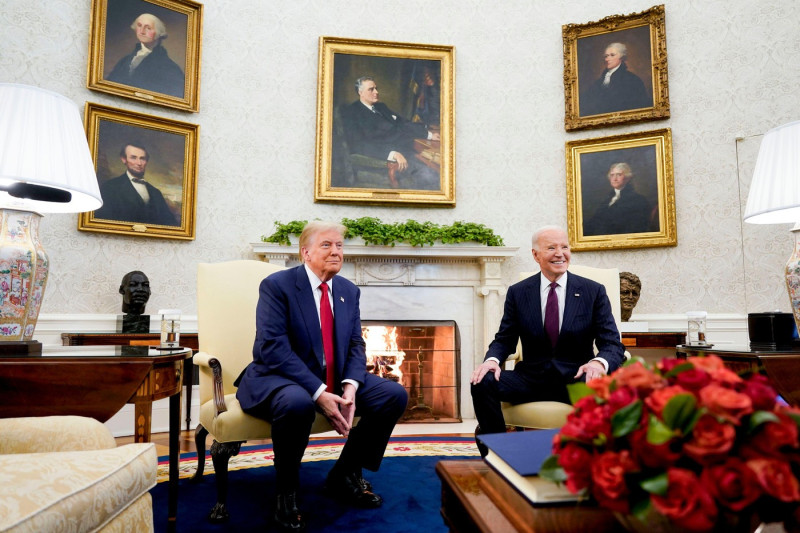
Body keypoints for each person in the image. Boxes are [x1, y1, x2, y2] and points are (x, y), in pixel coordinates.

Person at [235, 221, 408, 531]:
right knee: (297, 402)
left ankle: (344, 474)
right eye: (326, 245)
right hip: (279, 377)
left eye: (339, 245)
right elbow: (272, 348)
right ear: (305, 252)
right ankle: (286, 492)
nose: (335, 251)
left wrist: (350, 387)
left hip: (333, 376)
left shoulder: (348, 291)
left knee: (392, 395)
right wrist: (319, 392)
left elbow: (355, 344)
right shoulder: (277, 286)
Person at [470, 226, 625, 451]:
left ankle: (591, 457)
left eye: (565, 247)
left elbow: (611, 343)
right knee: (481, 381)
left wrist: (598, 363)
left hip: (575, 378)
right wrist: (492, 361)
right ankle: (499, 452)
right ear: (536, 255)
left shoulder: (593, 291)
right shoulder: (518, 292)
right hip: (531, 379)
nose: (560, 254)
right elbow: (505, 339)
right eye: (551, 248)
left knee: (601, 385)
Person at [340, 76, 440, 190]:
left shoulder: (381, 107)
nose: (376, 92)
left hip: (407, 150)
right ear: (360, 92)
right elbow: (359, 144)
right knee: (431, 175)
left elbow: (402, 123)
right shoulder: (352, 112)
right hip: (385, 160)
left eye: (376, 88)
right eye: (371, 89)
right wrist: (392, 153)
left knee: (436, 167)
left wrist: (429, 135)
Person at [94, 143, 179, 226]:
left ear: (146, 161)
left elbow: (170, 224)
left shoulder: (156, 193)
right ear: (124, 159)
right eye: (133, 158)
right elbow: (101, 222)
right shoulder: (110, 187)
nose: (139, 163)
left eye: (142, 158)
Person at [106, 13, 185, 98]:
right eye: (139, 26)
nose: (142, 31)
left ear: (158, 33)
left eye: (148, 28)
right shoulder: (125, 61)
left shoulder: (169, 67)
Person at [580, 42, 651, 116]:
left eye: (612, 55)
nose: (607, 59)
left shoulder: (632, 80)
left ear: (621, 57)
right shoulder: (599, 82)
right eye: (606, 56)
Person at [584, 162, 651, 236]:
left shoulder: (638, 200)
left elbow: (635, 228)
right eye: (612, 175)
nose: (615, 179)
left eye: (619, 175)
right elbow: (594, 222)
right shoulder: (607, 199)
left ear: (628, 178)